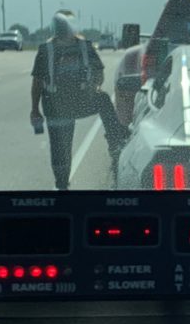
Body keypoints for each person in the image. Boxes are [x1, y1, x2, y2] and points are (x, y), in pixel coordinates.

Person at [30, 10, 128, 190]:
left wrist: (96, 86)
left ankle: (115, 142)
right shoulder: (46, 50)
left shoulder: (84, 46)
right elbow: (37, 81)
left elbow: (98, 71)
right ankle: (62, 185)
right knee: (61, 148)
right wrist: (35, 110)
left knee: (103, 99)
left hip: (81, 100)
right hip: (56, 105)